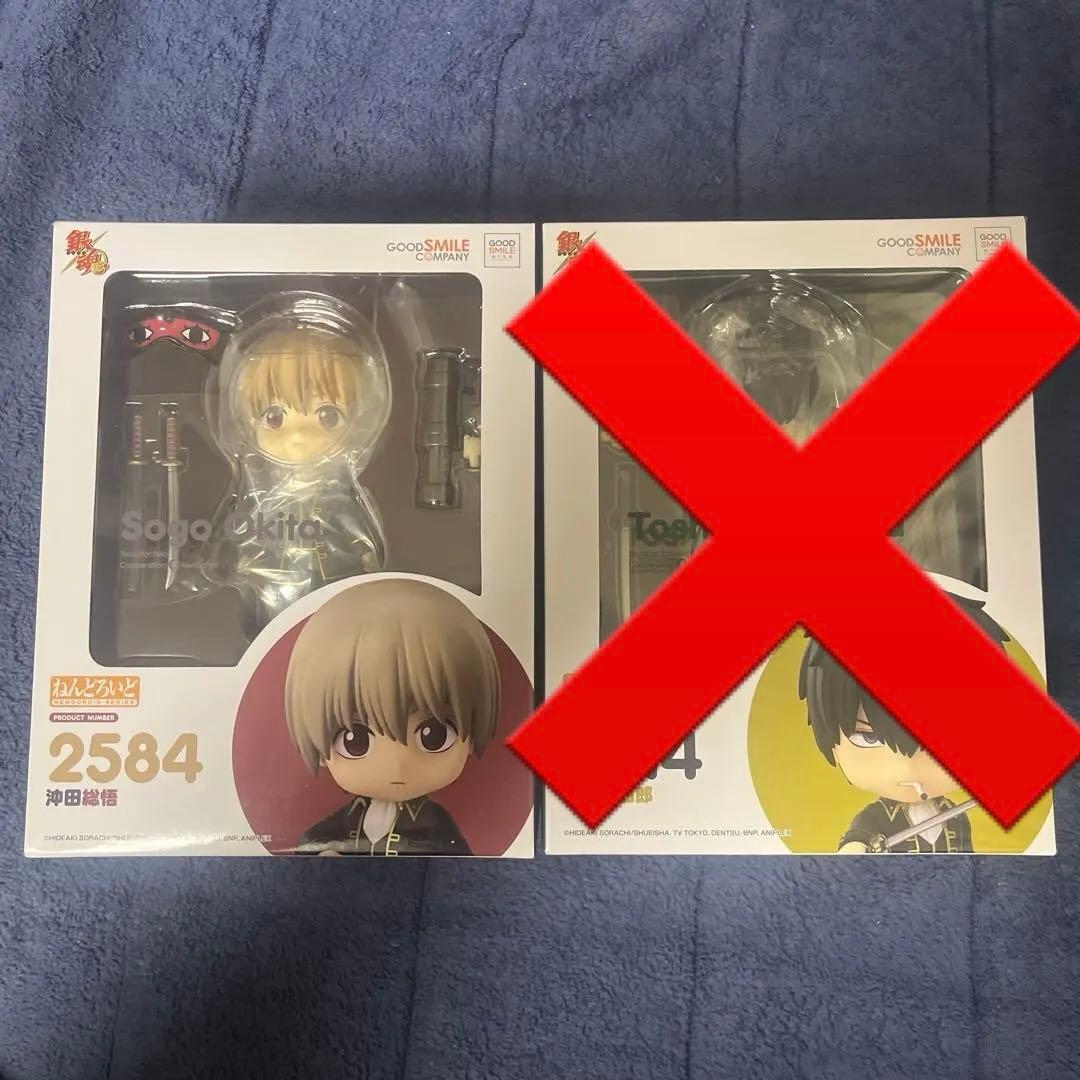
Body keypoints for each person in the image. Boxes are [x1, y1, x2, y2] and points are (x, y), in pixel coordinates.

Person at [284, 578, 500, 856]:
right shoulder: (346, 818)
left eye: (433, 736)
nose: (397, 764)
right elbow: (313, 841)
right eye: (355, 740)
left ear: (471, 735)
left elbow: (459, 861)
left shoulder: (436, 824)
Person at [798, 594, 1009, 853]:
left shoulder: (956, 814)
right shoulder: (875, 818)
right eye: (869, 737)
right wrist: (854, 847)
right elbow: (857, 838)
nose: (909, 768)